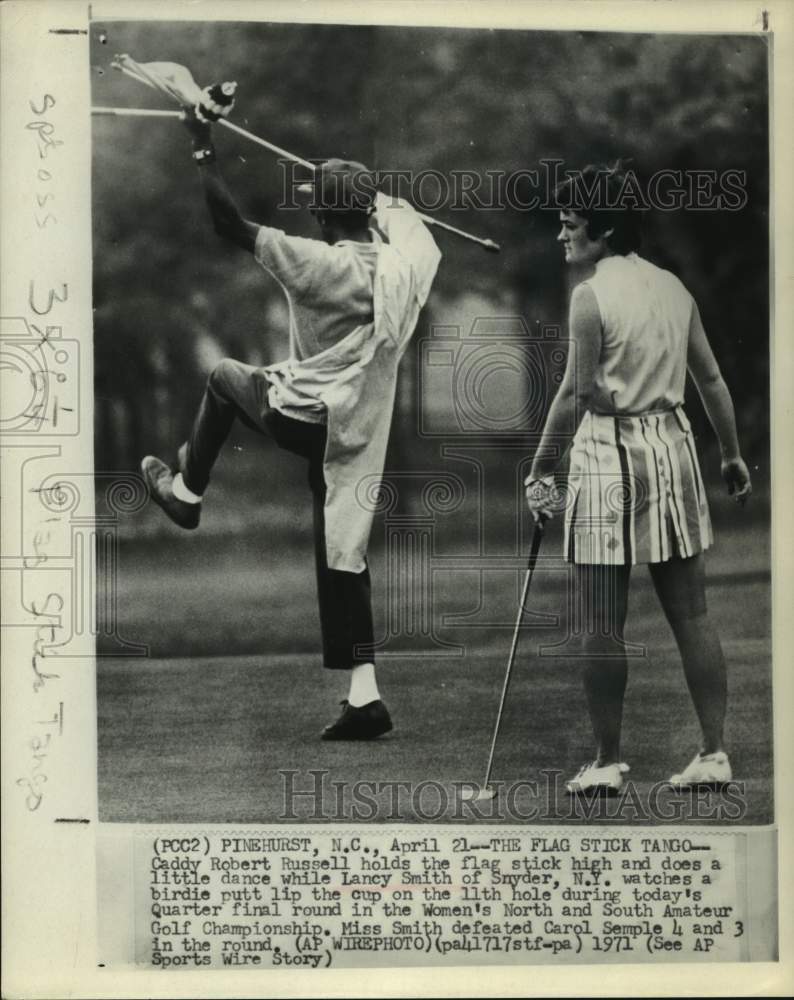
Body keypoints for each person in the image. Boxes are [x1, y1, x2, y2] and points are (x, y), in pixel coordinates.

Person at [141, 108, 441, 740]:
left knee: (224, 376)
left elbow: (227, 222)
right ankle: (366, 698)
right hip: (355, 433)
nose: (309, 214)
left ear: (325, 218)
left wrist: (202, 145)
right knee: (343, 553)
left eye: (316, 206)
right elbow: (411, 228)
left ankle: (187, 494)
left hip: (304, 416)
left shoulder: (316, 262)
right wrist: (379, 200)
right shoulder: (405, 266)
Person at [524, 163, 752, 794]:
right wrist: (731, 455)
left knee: (602, 620)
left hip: (608, 452)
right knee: (692, 613)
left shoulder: (589, 295)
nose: (561, 236)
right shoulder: (673, 288)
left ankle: (604, 763)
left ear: (604, 230)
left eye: (571, 225)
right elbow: (709, 379)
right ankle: (713, 753)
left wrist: (541, 470)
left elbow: (575, 393)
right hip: (673, 449)